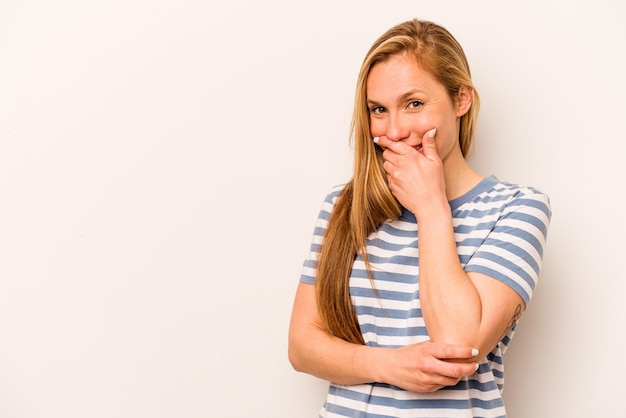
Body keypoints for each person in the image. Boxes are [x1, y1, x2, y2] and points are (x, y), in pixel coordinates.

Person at [287, 18, 551, 417]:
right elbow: (302, 346)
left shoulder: (517, 209)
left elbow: (459, 340)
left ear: (461, 99)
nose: (394, 130)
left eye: (414, 103)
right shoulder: (343, 206)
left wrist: (431, 208)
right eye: (379, 109)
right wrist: (389, 364)